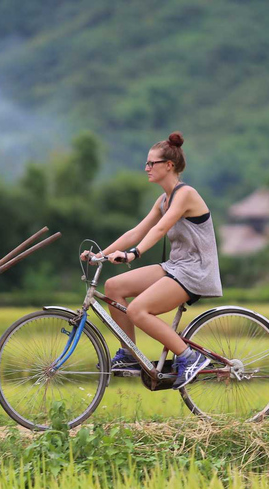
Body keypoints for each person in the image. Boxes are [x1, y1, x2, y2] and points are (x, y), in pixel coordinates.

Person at [80, 131, 222, 389]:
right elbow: (137, 231)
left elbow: (158, 230)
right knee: (113, 287)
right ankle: (129, 355)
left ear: (169, 166)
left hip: (195, 271)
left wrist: (134, 254)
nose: (146, 168)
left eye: (151, 163)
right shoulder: (163, 200)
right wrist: (100, 255)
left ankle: (190, 357)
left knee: (137, 310)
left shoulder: (186, 194)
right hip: (175, 267)